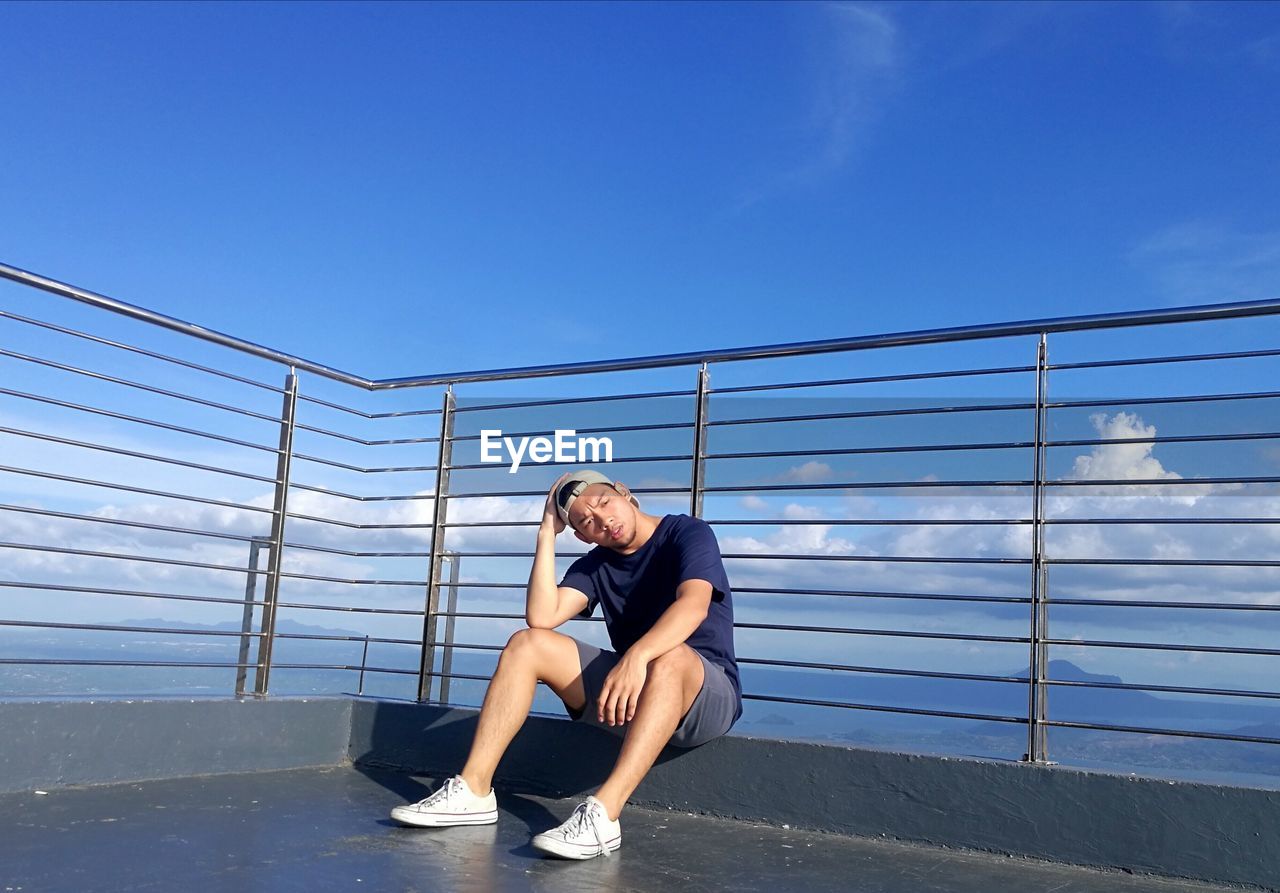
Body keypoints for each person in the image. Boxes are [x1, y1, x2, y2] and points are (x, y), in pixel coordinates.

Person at [390, 468, 742, 859]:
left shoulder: (686, 532)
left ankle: (603, 816)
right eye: (586, 521)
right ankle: (474, 791)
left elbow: (693, 604)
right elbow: (541, 616)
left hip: (706, 695)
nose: (602, 519)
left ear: (624, 492)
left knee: (669, 656)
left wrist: (638, 656)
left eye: (604, 502)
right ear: (580, 535)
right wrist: (545, 530)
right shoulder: (595, 565)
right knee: (527, 644)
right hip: (633, 696)